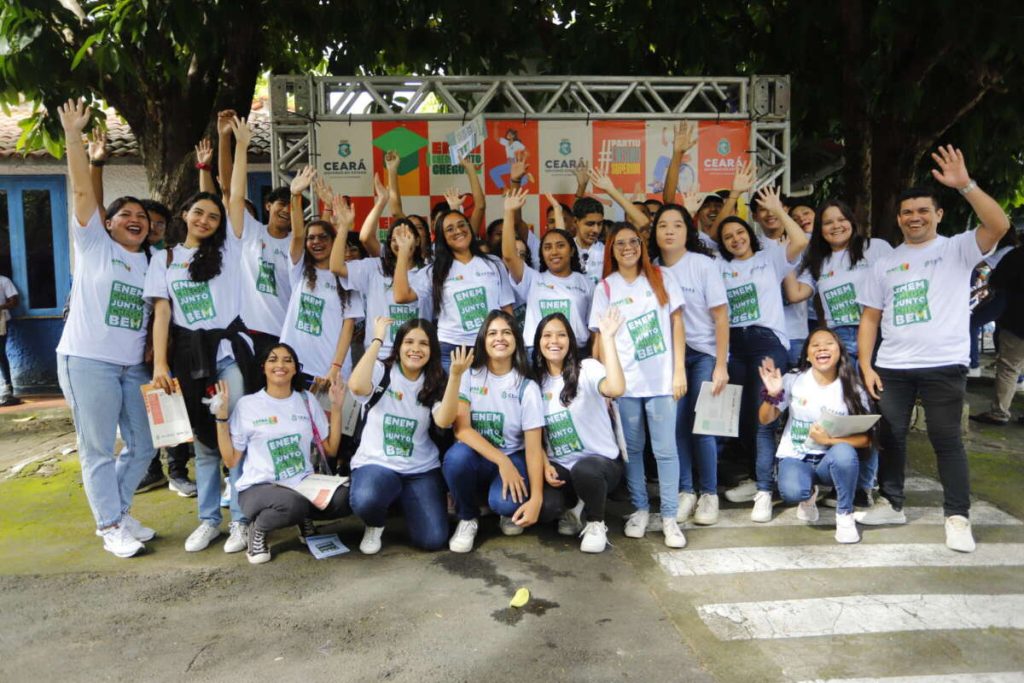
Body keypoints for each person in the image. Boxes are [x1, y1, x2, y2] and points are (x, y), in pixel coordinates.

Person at [856, 145, 1011, 553]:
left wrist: (966, 185)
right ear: (898, 218)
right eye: (907, 212)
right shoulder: (884, 263)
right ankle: (892, 503)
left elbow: (998, 224)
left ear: (938, 214)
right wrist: (866, 365)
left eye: (923, 210)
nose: (915, 217)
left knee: (946, 440)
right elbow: (870, 318)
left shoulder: (957, 248)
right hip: (892, 366)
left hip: (944, 364)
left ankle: (957, 517)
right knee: (891, 437)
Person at [144, 116, 258, 554]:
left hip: (227, 357)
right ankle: (210, 520)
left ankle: (242, 520)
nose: (206, 219)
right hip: (188, 361)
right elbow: (162, 314)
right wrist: (160, 364)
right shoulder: (165, 259)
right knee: (205, 444)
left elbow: (234, 195)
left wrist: (240, 146)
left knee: (235, 436)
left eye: (213, 215)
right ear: (184, 216)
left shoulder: (228, 250)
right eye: (199, 213)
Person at [54, 99, 156, 557]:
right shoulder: (94, 244)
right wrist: (74, 137)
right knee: (96, 447)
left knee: (145, 446)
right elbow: (81, 192)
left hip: (133, 368)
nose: (135, 220)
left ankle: (119, 510)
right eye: (125, 215)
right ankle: (110, 524)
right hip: (88, 362)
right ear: (107, 223)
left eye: (142, 217)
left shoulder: (153, 262)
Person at [589, 223, 687, 547]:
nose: (628, 247)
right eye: (620, 243)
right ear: (611, 250)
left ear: (642, 246)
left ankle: (670, 517)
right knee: (632, 451)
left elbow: (677, 324)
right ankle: (641, 509)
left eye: (634, 241)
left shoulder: (661, 277)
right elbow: (599, 341)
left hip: (661, 382)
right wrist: (605, 384)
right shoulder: (605, 287)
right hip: (625, 385)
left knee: (665, 451)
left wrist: (679, 371)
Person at [716, 186, 808, 521]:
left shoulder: (769, 258)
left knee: (764, 415)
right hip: (734, 346)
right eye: (728, 237)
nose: (735, 239)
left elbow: (800, 240)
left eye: (740, 232)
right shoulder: (718, 267)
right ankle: (758, 478)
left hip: (767, 342)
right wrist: (732, 198)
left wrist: (778, 210)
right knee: (740, 418)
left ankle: (766, 490)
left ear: (750, 234)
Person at [215, 343, 351, 564]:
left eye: (288, 360)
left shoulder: (306, 399)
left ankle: (303, 518)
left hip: (303, 484)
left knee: (345, 498)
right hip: (259, 488)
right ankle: (258, 529)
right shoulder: (247, 405)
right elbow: (231, 460)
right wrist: (221, 418)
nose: (281, 365)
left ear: (295, 368)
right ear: (263, 367)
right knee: (293, 504)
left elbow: (330, 449)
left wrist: (336, 408)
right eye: (273, 359)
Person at [796, 199, 894, 507]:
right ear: (820, 229)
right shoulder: (817, 260)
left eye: (841, 219)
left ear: (852, 220)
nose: (836, 226)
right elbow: (794, 292)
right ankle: (850, 484)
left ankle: (865, 487)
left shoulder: (875, 248)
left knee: (872, 414)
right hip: (839, 341)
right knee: (850, 415)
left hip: (875, 337)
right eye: (828, 222)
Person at [348, 317, 465, 553]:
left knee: (433, 540)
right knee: (366, 499)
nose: (415, 349)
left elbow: (444, 420)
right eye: (409, 342)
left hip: (420, 469)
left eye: (423, 343)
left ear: (432, 350)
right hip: (377, 464)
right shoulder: (382, 371)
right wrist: (377, 340)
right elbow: (357, 386)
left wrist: (455, 376)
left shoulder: (435, 380)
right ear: (399, 345)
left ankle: (405, 500)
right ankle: (375, 523)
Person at [442, 310, 553, 553]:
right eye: (492, 333)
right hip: (478, 456)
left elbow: (533, 448)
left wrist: (536, 499)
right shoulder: (469, 375)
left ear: (516, 340)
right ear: (483, 340)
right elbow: (461, 430)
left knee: (505, 504)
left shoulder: (527, 386)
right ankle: (467, 517)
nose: (499, 338)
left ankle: (501, 508)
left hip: (514, 455)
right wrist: (502, 461)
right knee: (456, 459)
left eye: (506, 332)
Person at [648, 204, 730, 526]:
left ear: (688, 231)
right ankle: (686, 491)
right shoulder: (651, 269)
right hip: (671, 359)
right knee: (676, 425)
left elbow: (721, 316)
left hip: (705, 354)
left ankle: (709, 493)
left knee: (703, 425)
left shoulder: (703, 265)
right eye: (662, 225)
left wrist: (721, 365)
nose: (669, 231)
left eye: (677, 225)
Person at [758, 328, 873, 544]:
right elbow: (765, 419)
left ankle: (845, 515)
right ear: (808, 355)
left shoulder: (852, 385)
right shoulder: (793, 379)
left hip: (830, 461)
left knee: (844, 453)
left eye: (829, 343)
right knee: (792, 492)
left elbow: (866, 439)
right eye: (815, 345)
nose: (822, 348)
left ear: (839, 351)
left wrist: (829, 441)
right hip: (796, 457)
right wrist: (772, 395)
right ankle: (808, 495)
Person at [533, 311, 626, 553]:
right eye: (547, 335)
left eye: (561, 335)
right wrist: (545, 464)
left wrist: (608, 339)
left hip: (600, 464)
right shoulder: (536, 382)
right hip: (561, 466)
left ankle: (596, 523)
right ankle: (574, 507)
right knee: (546, 508)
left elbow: (616, 388)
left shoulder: (588, 368)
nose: (554, 341)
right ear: (538, 342)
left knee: (585, 470)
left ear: (571, 340)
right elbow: (534, 434)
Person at [392, 209, 514, 373]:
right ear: (442, 237)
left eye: (461, 225)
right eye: (450, 229)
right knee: (452, 392)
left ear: (470, 228)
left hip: (491, 346)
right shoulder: (434, 271)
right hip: (451, 350)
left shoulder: (494, 263)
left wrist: (512, 342)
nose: (458, 231)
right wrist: (403, 252)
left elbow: (506, 309)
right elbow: (401, 295)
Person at [278, 178, 362, 397]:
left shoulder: (347, 277)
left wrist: (335, 367)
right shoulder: (299, 270)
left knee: (332, 421)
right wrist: (295, 195)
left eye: (323, 238)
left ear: (334, 242)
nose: (316, 242)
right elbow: (298, 234)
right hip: (293, 368)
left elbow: (348, 328)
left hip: (329, 373)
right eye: (311, 238)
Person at [502, 188, 594, 355]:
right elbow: (509, 256)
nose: (554, 252)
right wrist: (509, 212)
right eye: (547, 247)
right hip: (537, 354)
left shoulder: (586, 283)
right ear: (541, 254)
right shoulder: (533, 279)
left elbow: (594, 328)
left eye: (560, 246)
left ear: (572, 251)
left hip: (576, 353)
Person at [971, 243, 1024, 425]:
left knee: (1009, 367)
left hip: (1017, 321)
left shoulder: (1017, 256)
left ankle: (999, 412)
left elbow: (997, 281)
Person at [572, 197, 607, 284]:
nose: (596, 230)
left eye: (599, 224)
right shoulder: (566, 249)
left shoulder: (607, 251)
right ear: (575, 221)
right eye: (590, 224)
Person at [0, 271, 20, 406]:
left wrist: (1, 307)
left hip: (1, 320)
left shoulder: (3, 281)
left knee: (0, 353)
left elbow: (15, 301)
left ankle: (7, 386)